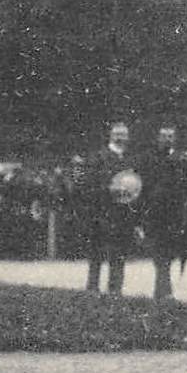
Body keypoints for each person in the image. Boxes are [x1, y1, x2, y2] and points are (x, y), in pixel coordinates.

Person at [82, 121, 142, 295]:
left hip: (123, 214)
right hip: (102, 212)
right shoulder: (99, 157)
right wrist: (110, 189)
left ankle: (115, 290)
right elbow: (90, 184)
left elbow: (136, 187)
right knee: (97, 253)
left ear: (128, 137)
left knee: (119, 254)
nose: (120, 137)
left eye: (123, 134)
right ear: (110, 135)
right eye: (117, 134)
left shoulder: (131, 159)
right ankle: (92, 288)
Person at [139, 124, 187, 302]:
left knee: (169, 253)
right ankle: (163, 290)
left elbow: (185, 186)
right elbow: (144, 186)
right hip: (154, 213)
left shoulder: (180, 160)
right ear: (158, 138)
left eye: (170, 136)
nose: (167, 140)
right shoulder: (149, 159)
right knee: (158, 253)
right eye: (164, 136)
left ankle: (162, 290)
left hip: (173, 214)